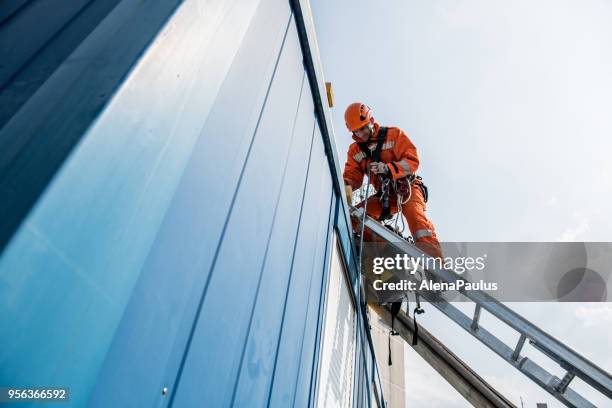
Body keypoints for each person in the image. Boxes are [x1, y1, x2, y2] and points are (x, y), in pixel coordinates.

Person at [343, 102, 442, 259]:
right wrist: (345, 185)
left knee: (418, 223)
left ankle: (437, 267)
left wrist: (388, 168)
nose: (361, 133)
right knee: (356, 217)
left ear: (371, 120)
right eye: (357, 131)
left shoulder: (393, 135)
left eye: (363, 128)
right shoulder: (355, 151)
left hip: (407, 188)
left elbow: (412, 161)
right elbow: (352, 176)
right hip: (386, 197)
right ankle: (389, 251)